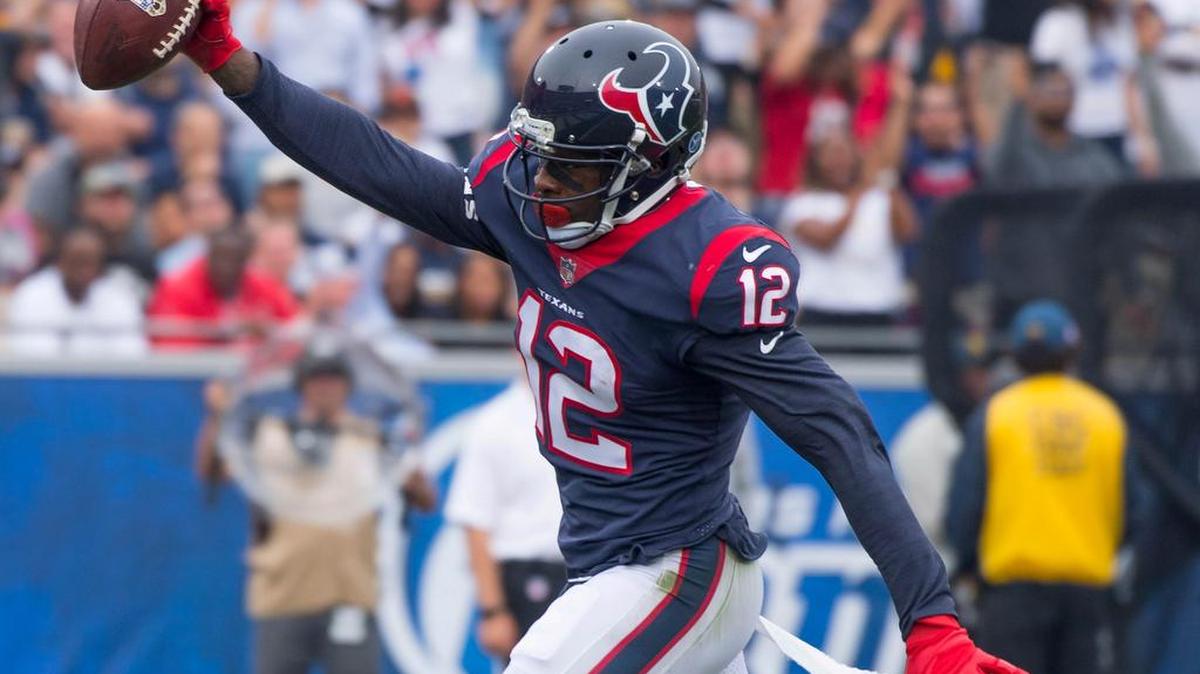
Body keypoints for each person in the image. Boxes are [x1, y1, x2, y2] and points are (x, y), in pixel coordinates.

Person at [180, 6, 1024, 672]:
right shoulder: (531, 201)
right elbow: (384, 168)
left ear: (651, 168)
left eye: (572, 168)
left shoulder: (703, 267)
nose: (541, 182)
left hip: (677, 571)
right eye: (543, 156)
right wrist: (234, 66)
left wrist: (932, 620)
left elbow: (837, 432)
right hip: (618, 571)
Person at [195, 343, 431, 674]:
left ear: (347, 385)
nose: (325, 387)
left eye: (333, 378)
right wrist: (217, 415)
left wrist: (408, 459)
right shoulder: (268, 434)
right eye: (316, 378)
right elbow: (210, 470)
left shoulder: (372, 438)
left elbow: (426, 499)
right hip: (283, 596)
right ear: (301, 384)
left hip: (351, 594)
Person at [947, 300, 1129, 674]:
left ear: (1015, 356)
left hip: (1013, 594)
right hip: (1087, 592)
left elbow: (966, 506)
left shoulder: (996, 414)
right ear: (1073, 351)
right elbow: (1134, 511)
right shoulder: (1105, 416)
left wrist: (969, 566)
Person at [444, 378, 567, 663]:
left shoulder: (592, 409)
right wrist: (493, 610)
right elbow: (475, 522)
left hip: (590, 567)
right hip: (526, 576)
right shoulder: (496, 422)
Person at [779, 126, 919, 325]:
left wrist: (887, 180)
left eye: (845, 152)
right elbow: (826, 239)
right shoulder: (801, 204)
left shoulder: (880, 199)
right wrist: (859, 192)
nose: (840, 161)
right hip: (820, 310)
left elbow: (908, 231)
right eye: (831, 153)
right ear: (815, 160)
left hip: (879, 308)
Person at [148, 225, 300, 348]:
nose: (225, 268)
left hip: (253, 377)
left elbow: (295, 332)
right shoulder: (177, 286)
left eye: (233, 261)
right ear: (208, 256)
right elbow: (170, 347)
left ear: (245, 262)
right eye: (219, 259)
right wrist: (227, 334)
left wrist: (269, 331)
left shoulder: (262, 285)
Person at [982, 61, 1124, 188]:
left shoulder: (1091, 154)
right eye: (1052, 92)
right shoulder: (1018, 152)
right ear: (1032, 96)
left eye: (1065, 92)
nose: (1059, 99)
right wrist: (1019, 98)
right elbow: (997, 168)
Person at [5, 227, 146, 356]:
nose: (82, 272)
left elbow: (130, 357)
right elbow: (30, 359)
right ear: (59, 262)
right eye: (76, 262)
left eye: (89, 264)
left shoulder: (118, 298)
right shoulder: (32, 295)